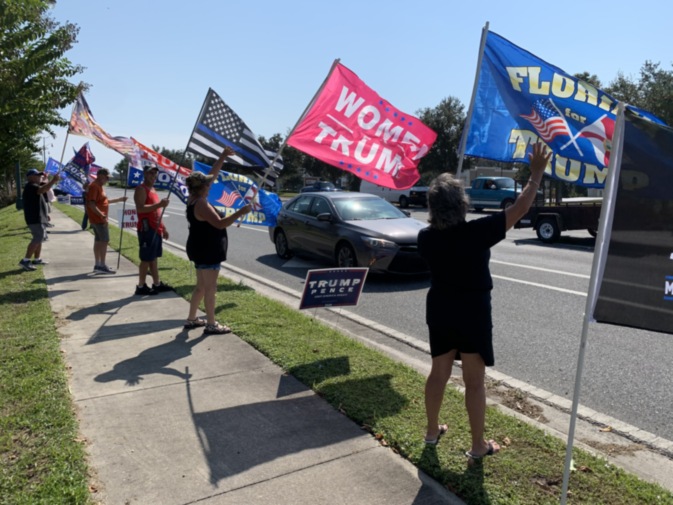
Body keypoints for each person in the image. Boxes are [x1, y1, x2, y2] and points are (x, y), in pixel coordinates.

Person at [418, 142, 551, 461]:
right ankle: (478, 446)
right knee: (474, 382)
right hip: (473, 314)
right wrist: (535, 175)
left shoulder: (426, 238)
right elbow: (519, 209)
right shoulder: (478, 232)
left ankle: (432, 431)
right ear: (461, 204)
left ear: (433, 207)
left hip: (440, 310)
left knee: (438, 373)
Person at [184, 147, 252, 334]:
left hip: (199, 247)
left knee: (200, 286)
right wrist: (241, 211)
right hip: (208, 249)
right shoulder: (202, 203)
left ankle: (191, 319)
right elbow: (220, 224)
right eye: (207, 183)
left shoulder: (193, 198)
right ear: (201, 187)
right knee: (210, 289)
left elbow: (211, 175)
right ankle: (211, 324)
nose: (210, 184)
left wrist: (222, 157)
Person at [133, 164, 173, 295]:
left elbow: (157, 211)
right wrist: (160, 204)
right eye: (151, 173)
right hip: (146, 228)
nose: (153, 176)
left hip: (156, 228)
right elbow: (140, 208)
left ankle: (157, 284)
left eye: (155, 174)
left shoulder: (153, 189)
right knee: (146, 258)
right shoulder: (141, 189)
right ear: (145, 174)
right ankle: (140, 286)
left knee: (153, 258)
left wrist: (164, 227)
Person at [86, 168, 127, 274]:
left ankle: (98, 264)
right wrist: (102, 216)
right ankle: (102, 265)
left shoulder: (99, 187)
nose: (108, 179)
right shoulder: (95, 186)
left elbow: (103, 201)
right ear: (100, 176)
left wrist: (119, 199)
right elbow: (91, 204)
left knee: (99, 241)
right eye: (107, 177)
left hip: (98, 219)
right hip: (99, 219)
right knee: (104, 241)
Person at [19, 169, 59, 271]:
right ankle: (25, 260)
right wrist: (53, 181)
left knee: (39, 238)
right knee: (37, 238)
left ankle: (37, 259)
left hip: (39, 217)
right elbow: (42, 189)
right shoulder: (31, 186)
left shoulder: (34, 186)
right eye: (37, 175)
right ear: (30, 177)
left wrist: (45, 215)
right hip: (34, 218)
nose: (40, 177)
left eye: (40, 176)